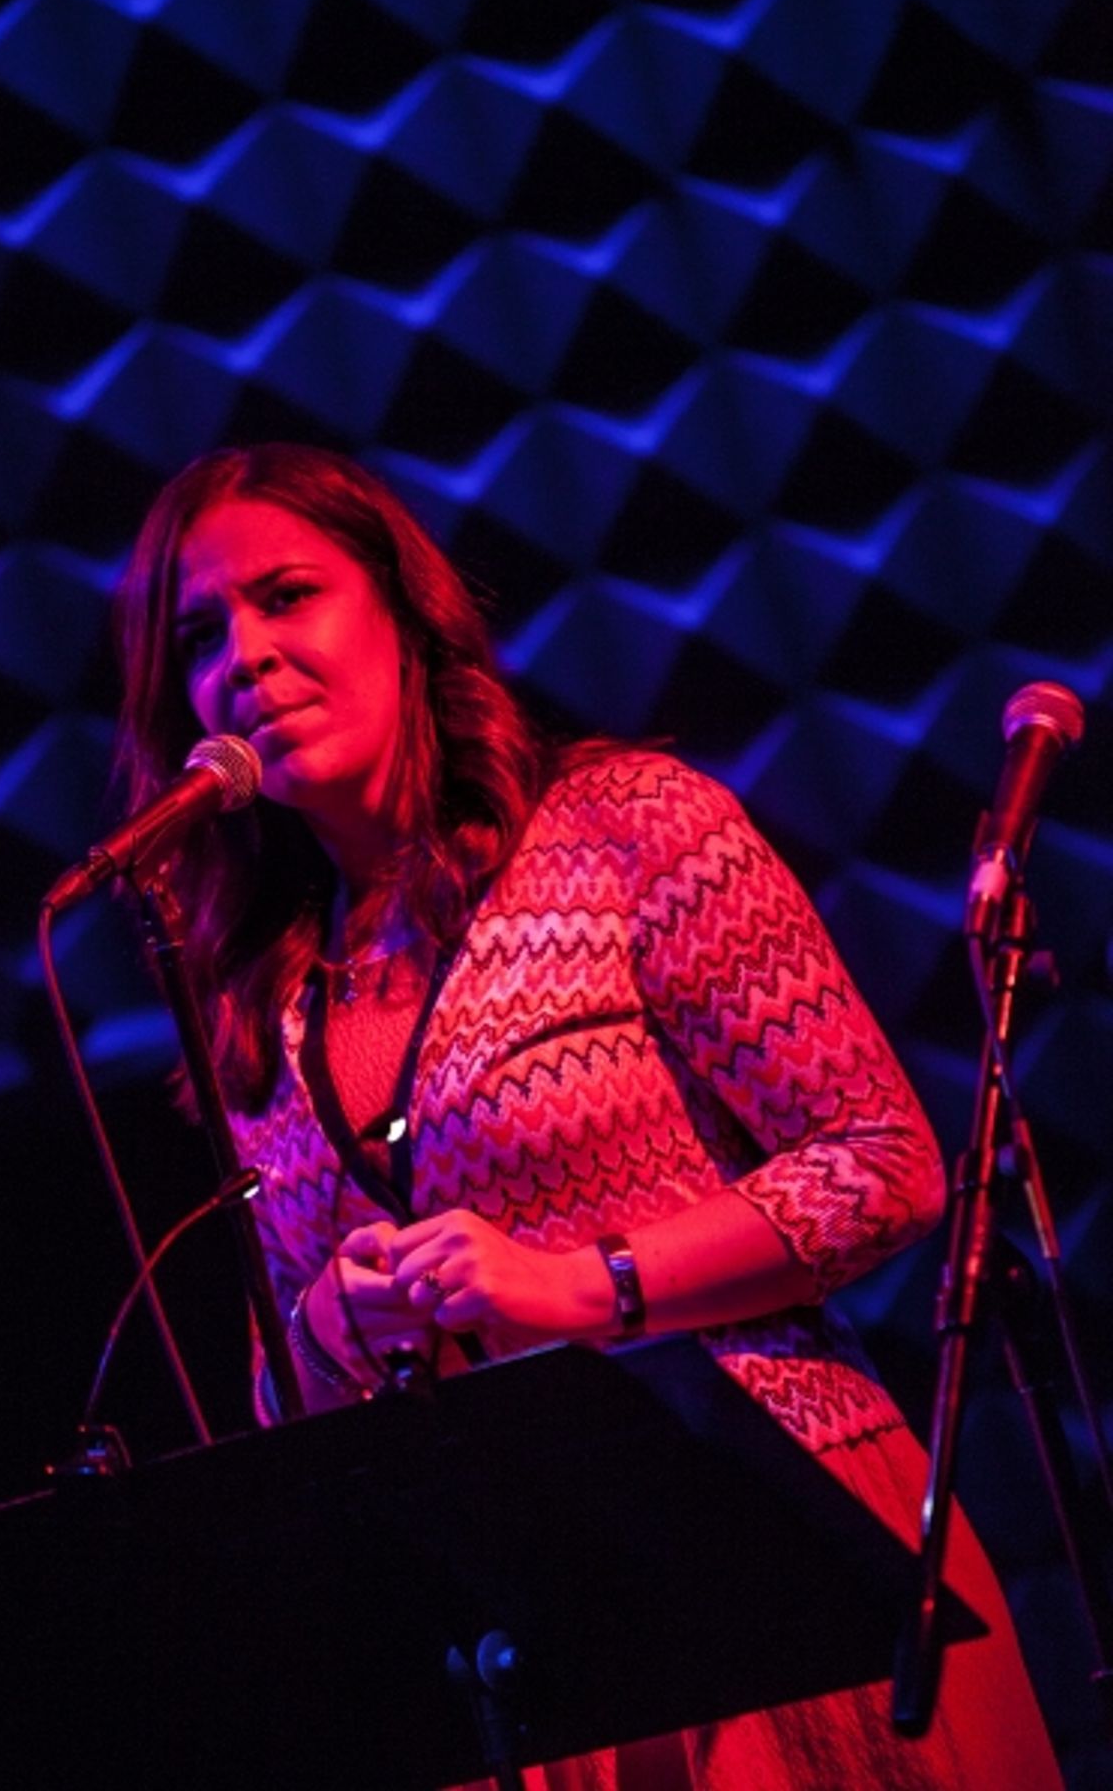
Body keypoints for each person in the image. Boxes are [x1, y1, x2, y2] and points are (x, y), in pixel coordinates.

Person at [114, 442, 1062, 1789]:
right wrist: (324, 1330)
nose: (244, 658)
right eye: (198, 636)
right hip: (525, 1635)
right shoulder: (256, 997)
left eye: (286, 595)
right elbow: (290, 1396)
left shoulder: (629, 830)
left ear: (402, 612)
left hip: (773, 1546)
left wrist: (588, 1284)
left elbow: (885, 1166)